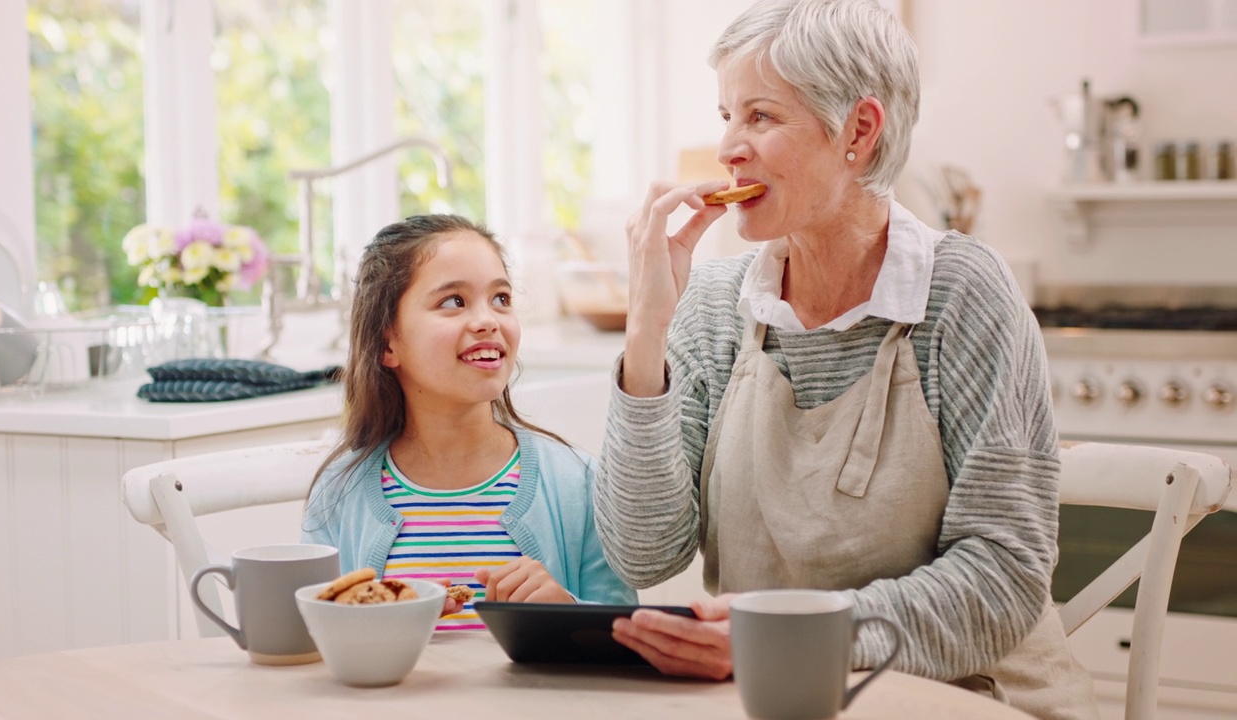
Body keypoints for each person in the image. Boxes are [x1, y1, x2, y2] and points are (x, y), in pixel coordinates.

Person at [592, 1, 1098, 718]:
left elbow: (1003, 579)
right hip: (779, 697)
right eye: (727, 116)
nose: (730, 148)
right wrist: (647, 331)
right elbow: (644, 555)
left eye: (761, 117)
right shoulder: (710, 305)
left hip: (971, 699)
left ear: (858, 131)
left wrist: (793, 636)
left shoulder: (961, 295)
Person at [303, 214, 635, 631]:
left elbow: (624, 638)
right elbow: (315, 640)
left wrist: (564, 610)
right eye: (453, 302)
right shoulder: (338, 494)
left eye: (501, 298)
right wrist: (369, 629)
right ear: (388, 343)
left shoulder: (579, 484)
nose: (488, 320)